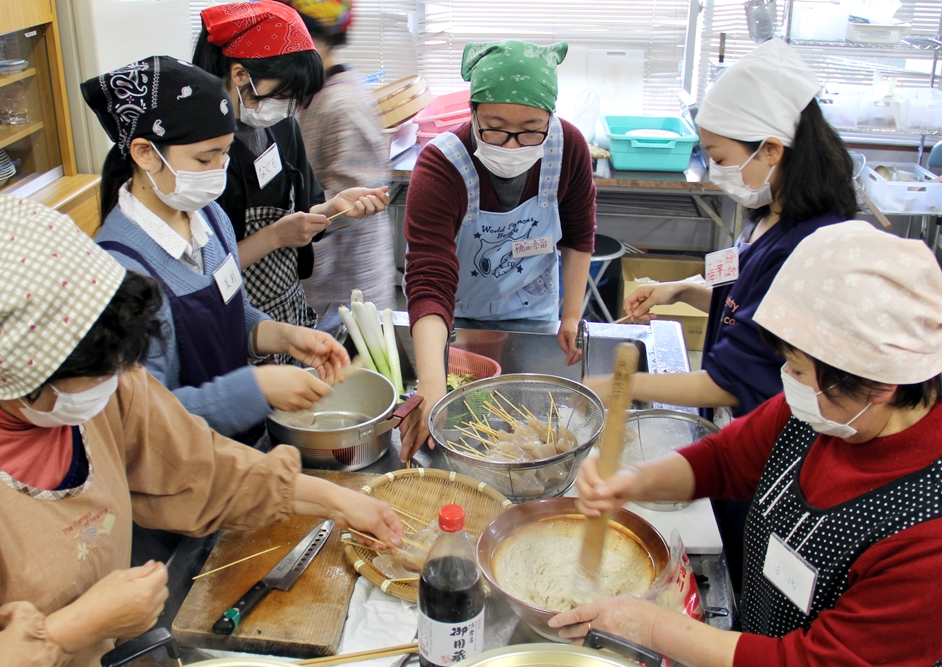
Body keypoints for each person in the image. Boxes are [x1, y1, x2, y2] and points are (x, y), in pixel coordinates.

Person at [0, 195, 403, 666]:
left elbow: (198, 466)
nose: (115, 390)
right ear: (15, 375)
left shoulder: (109, 379)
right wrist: (72, 628)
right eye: (94, 383)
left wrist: (339, 502)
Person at [551, 220, 942, 667]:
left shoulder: (928, 535)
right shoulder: (820, 414)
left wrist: (651, 626)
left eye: (798, 369)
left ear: (880, 386)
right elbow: (726, 459)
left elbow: (811, 661)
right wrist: (631, 481)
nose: (786, 382)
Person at [593, 39, 857, 427]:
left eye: (720, 158)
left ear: (770, 149)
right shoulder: (767, 218)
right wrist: (681, 291)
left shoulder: (804, 249)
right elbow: (743, 311)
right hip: (732, 422)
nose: (717, 173)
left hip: (762, 427)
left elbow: (730, 383)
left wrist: (620, 385)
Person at [84, 55, 346, 442]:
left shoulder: (208, 218)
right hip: (183, 477)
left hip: (236, 450)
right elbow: (144, 418)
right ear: (144, 153)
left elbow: (228, 313)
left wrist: (281, 336)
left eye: (224, 153)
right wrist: (256, 389)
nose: (219, 169)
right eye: (205, 158)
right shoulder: (116, 271)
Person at [400, 39, 596, 458]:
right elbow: (428, 277)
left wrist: (572, 314)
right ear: (471, 113)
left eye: (530, 129)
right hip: (455, 324)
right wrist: (433, 386)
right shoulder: (441, 166)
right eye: (494, 126)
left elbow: (579, 236)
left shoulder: (569, 149)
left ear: (550, 116)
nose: (511, 145)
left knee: (528, 430)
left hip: (533, 318)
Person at [192, 0, 390, 347]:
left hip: (286, 311)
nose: (289, 108)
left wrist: (330, 208)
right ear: (240, 75)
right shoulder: (202, 154)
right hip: (236, 320)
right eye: (283, 94)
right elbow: (200, 267)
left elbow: (305, 205)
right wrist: (274, 237)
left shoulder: (281, 125)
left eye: (294, 98)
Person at [288, 0, 397, 310]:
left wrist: (303, 265)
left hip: (346, 286)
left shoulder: (342, 105)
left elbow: (350, 211)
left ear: (316, 39)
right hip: (324, 280)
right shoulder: (311, 94)